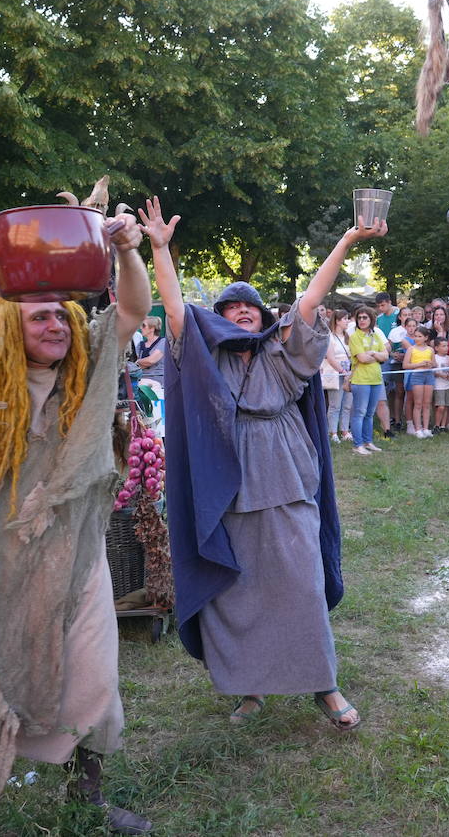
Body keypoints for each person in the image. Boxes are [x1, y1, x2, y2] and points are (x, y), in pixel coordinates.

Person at [0, 202, 153, 836]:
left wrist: (126, 251)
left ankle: (86, 795)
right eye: (39, 317)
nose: (57, 326)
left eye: (62, 316)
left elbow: (130, 312)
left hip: (76, 551)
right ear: (10, 327)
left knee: (93, 679)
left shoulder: (90, 363)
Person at [143, 195, 376, 735]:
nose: (241, 311)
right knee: (237, 588)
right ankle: (250, 688)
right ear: (220, 320)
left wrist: (344, 241)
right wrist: (160, 250)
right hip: (229, 479)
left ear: (263, 314)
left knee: (301, 580)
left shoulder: (282, 351)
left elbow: (312, 301)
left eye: (250, 306)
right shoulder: (208, 357)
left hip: (286, 469)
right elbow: (175, 311)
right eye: (230, 307)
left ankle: (324, 683)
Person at [347, 307, 389, 456]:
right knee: (360, 413)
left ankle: (368, 442)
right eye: (360, 318)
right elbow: (362, 359)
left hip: (376, 379)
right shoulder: (354, 337)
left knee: (370, 413)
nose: (362, 320)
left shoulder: (375, 335)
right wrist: (375, 356)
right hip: (361, 380)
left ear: (371, 319)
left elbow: (386, 356)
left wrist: (372, 353)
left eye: (365, 317)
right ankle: (358, 444)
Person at [322, 311, 354, 443]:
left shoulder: (348, 336)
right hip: (336, 373)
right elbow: (330, 358)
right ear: (337, 321)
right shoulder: (329, 337)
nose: (347, 321)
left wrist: (350, 371)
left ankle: (345, 430)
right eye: (345, 319)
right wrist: (342, 370)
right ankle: (333, 432)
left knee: (347, 404)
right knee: (335, 405)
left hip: (349, 372)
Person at [375, 293, 403, 434]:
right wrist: (390, 353)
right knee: (386, 389)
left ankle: (399, 418)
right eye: (379, 306)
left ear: (389, 302)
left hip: (403, 355)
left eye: (383, 305)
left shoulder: (399, 314)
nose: (381, 308)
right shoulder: (379, 319)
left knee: (399, 389)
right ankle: (390, 417)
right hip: (386, 356)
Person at [403, 324, 436, 438]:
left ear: (426, 338)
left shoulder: (430, 349)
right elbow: (405, 365)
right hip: (417, 375)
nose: (417, 338)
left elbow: (435, 364)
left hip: (429, 376)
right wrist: (419, 364)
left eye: (420, 336)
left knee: (427, 403)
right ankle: (417, 429)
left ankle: (426, 428)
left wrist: (431, 364)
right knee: (417, 403)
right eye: (415, 336)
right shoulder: (411, 349)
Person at [134, 316, 167, 392]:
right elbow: (136, 366)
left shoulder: (163, 341)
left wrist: (138, 362)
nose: (140, 328)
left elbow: (151, 360)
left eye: (143, 325)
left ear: (152, 328)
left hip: (158, 380)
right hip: (141, 379)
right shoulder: (140, 344)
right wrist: (139, 363)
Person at [431, 337, 449, 433]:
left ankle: (443, 426)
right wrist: (440, 374)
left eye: (447, 346)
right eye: (443, 346)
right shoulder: (435, 357)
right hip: (438, 386)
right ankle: (436, 425)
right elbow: (432, 371)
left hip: (448, 385)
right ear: (436, 348)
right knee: (440, 407)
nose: (446, 348)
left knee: (447, 406)